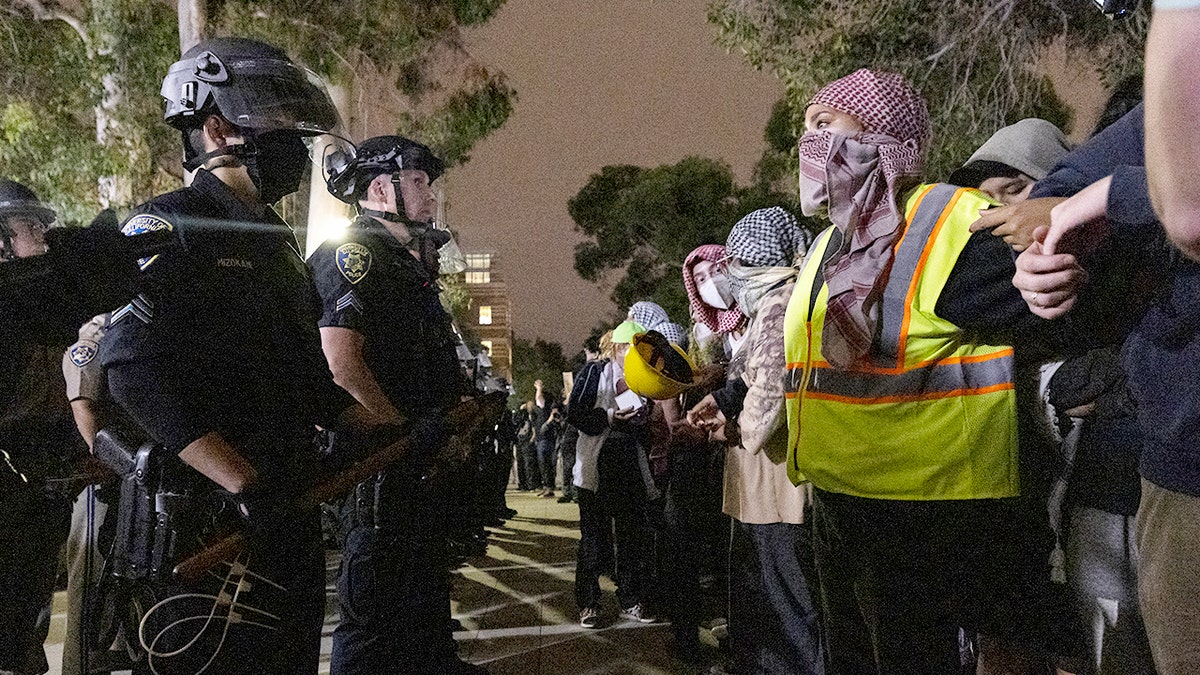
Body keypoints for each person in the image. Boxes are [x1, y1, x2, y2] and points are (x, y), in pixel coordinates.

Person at [100, 38, 385, 675]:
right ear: (218, 126)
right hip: (210, 532)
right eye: (280, 126)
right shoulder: (170, 226)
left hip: (284, 517)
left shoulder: (276, 245)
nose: (299, 146)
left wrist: (387, 427)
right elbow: (131, 373)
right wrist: (246, 486)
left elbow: (307, 384)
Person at [785, 69, 1064, 673]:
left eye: (825, 125)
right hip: (838, 503)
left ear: (882, 134)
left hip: (928, 515)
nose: (810, 143)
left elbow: (1060, 311)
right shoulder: (828, 244)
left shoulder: (950, 223)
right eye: (805, 129)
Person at [310, 134, 481, 674]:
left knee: (422, 600)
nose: (429, 195)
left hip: (414, 463)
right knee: (373, 620)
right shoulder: (354, 255)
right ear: (381, 189)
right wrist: (402, 431)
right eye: (418, 182)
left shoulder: (403, 265)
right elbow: (340, 364)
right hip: (378, 472)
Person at [687, 207, 822, 674]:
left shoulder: (776, 305)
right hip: (768, 483)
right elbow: (755, 376)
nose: (730, 278)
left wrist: (730, 428)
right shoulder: (796, 296)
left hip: (778, 480)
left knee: (784, 604)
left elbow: (766, 405)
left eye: (735, 265)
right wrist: (725, 400)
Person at [0, 180, 84, 675]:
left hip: (41, 478)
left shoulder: (44, 302)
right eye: (30, 225)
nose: (44, 234)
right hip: (15, 474)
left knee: (26, 622)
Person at [568, 328, 656, 628]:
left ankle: (631, 599)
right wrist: (607, 417)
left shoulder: (642, 378)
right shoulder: (594, 372)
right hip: (597, 465)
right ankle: (588, 602)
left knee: (631, 536)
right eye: (629, 347)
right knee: (594, 537)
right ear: (615, 347)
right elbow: (575, 412)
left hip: (628, 464)